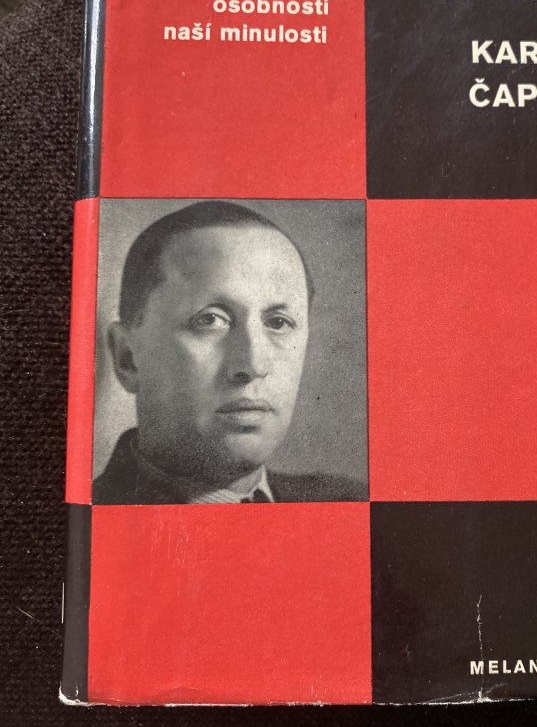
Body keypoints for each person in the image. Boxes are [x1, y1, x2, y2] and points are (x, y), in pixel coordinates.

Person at [92, 201, 365, 504]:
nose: (252, 365)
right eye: (209, 320)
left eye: (278, 323)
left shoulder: (351, 503)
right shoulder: (90, 519)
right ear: (127, 358)